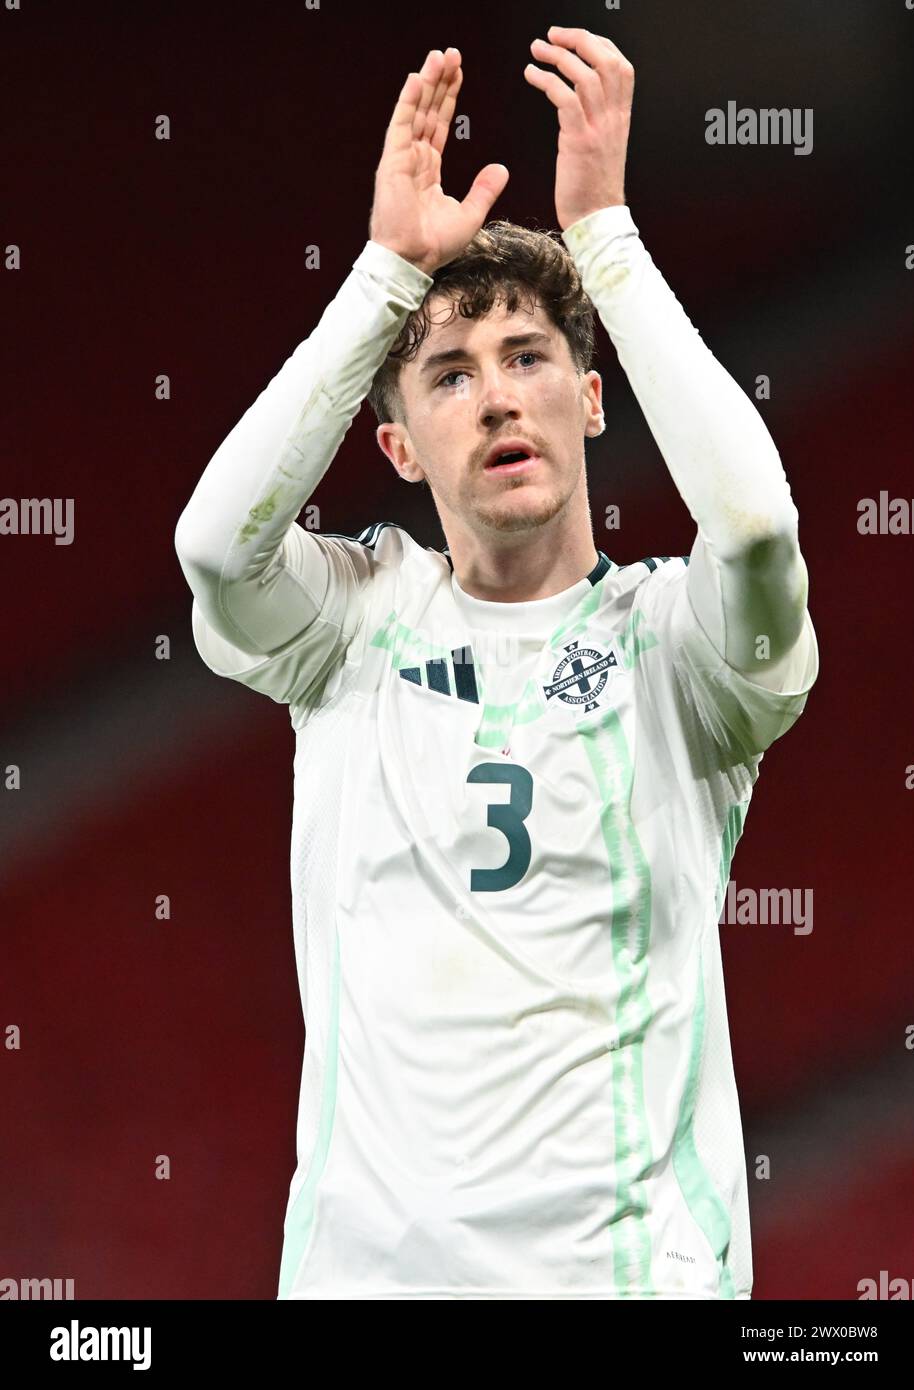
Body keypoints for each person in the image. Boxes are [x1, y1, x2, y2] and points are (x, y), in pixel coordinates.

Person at [174, 31, 819, 1300]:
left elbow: (752, 526)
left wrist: (606, 239)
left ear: (589, 397)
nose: (497, 398)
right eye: (450, 375)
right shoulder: (351, 627)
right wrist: (378, 279)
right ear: (401, 445)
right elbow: (214, 547)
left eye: (528, 358)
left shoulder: (676, 649)